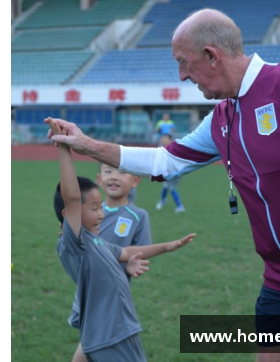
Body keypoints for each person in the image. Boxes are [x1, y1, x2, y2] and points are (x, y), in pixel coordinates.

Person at [47, 9, 280, 362]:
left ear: (211, 56)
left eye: (183, 62)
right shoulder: (223, 115)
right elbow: (167, 161)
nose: (181, 75)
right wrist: (87, 145)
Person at [47, 118, 195, 362]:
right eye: (94, 208)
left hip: (108, 322)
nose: (101, 214)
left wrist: (168, 247)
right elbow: (72, 198)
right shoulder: (76, 241)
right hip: (113, 329)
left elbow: (126, 252)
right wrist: (64, 148)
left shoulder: (97, 242)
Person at [71, 163, 153, 362]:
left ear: (135, 181)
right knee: (92, 336)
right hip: (88, 289)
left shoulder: (138, 216)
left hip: (113, 293)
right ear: (99, 180)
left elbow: (141, 252)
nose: (114, 177)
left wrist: (130, 264)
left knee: (98, 337)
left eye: (122, 172)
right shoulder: (89, 213)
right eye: (108, 172)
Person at [155, 133, 185, 213]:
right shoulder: (161, 148)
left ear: (170, 139)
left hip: (174, 172)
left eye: (165, 138)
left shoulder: (174, 147)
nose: (162, 139)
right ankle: (163, 200)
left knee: (172, 188)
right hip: (165, 171)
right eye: (162, 138)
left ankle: (180, 206)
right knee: (165, 186)